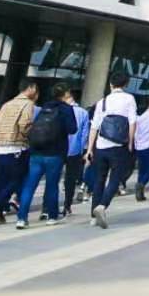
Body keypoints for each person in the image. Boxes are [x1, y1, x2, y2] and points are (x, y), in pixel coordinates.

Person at [16, 84, 76, 229]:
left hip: (36, 152)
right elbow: (72, 129)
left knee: (30, 185)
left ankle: (22, 218)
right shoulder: (66, 109)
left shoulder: (44, 107)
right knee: (52, 185)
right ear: (66, 94)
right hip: (55, 152)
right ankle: (52, 216)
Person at [86, 73, 136, 229]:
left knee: (99, 180)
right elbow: (132, 122)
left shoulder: (102, 102)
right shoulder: (129, 99)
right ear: (126, 84)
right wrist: (130, 142)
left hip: (101, 146)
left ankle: (93, 217)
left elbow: (94, 127)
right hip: (119, 146)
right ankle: (102, 205)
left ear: (110, 85)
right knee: (115, 178)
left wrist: (89, 149)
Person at [0, 80, 38, 225]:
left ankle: (0, 211)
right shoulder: (28, 104)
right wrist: (30, 136)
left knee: (3, 181)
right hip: (17, 146)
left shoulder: (7, 104)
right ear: (31, 88)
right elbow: (24, 125)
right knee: (18, 179)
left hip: (2, 147)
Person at [62, 87, 89, 216]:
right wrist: (81, 149)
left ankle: (46, 208)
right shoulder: (83, 113)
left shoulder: (60, 110)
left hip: (58, 149)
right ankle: (67, 205)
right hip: (75, 150)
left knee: (53, 178)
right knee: (70, 179)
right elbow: (84, 134)